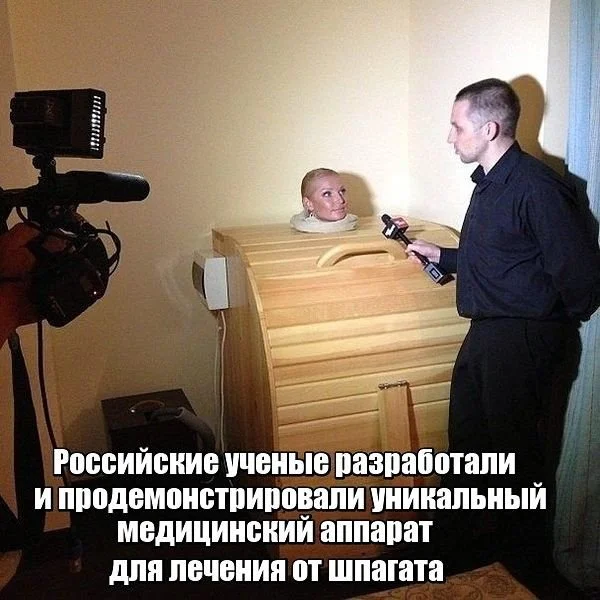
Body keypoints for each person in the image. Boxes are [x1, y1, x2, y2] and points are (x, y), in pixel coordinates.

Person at [405, 78, 600, 567]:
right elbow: (506, 258)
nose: (450, 136)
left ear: (489, 129)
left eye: (456, 126)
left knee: (515, 459)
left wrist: (540, 321)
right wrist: (445, 257)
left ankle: (522, 566)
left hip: (523, 338)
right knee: (469, 444)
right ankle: (453, 546)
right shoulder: (492, 183)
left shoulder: (537, 187)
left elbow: (579, 278)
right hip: (489, 333)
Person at [290, 168, 358, 232]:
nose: (341, 200)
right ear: (309, 204)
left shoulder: (357, 225)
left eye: (342, 191)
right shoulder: (297, 236)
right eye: (327, 194)